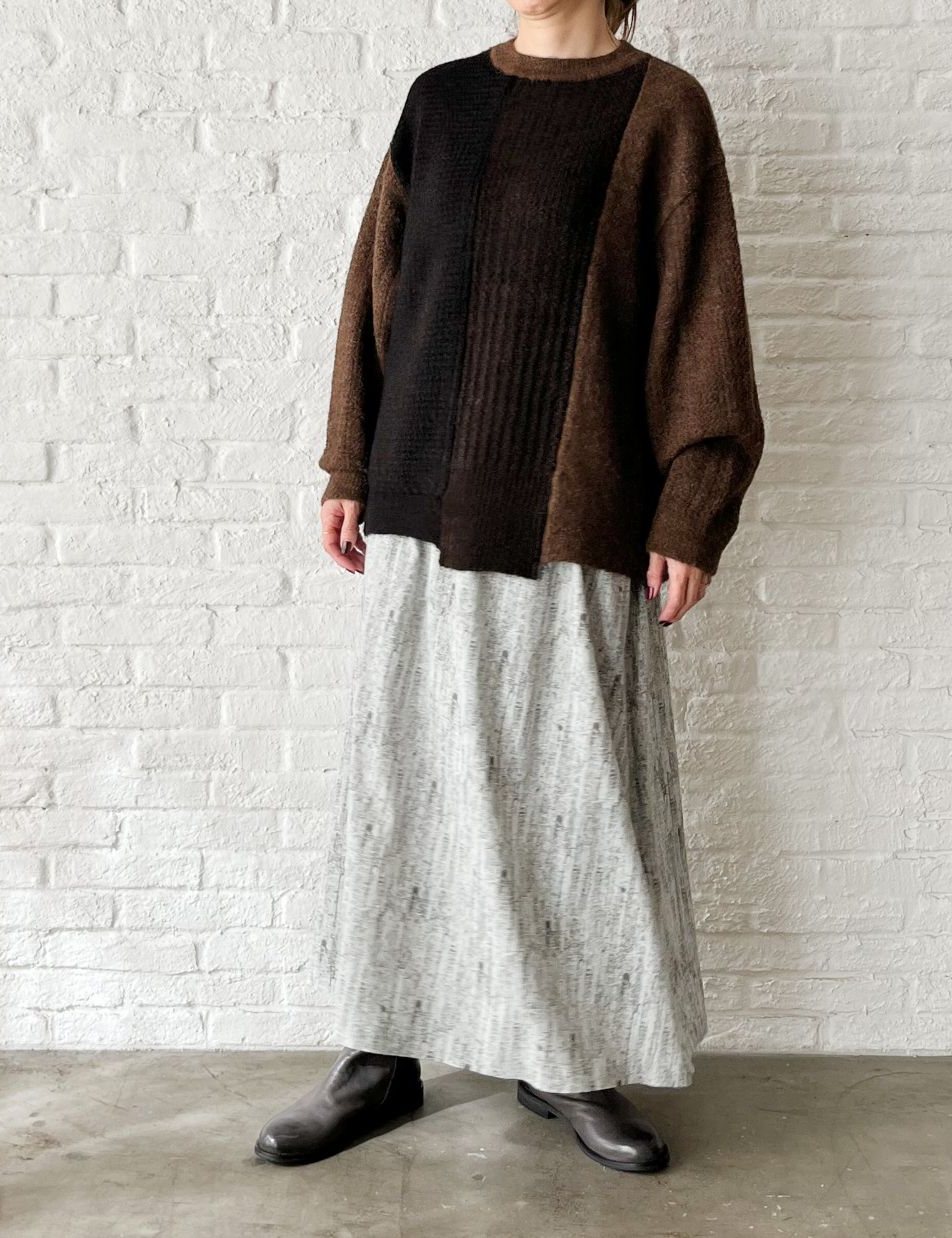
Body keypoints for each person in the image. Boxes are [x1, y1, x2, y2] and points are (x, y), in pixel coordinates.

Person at [254, 0, 764, 1174]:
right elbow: (379, 291)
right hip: (420, 500)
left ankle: (564, 1052)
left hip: (575, 509)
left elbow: (700, 319)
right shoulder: (440, 100)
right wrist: (349, 462)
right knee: (404, 781)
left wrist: (691, 504)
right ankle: (378, 1053)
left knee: (570, 795)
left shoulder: (661, 111)